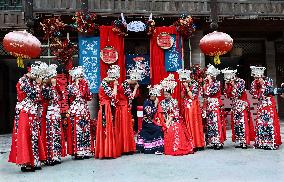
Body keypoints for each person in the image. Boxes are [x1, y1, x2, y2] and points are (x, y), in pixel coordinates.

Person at [9, 62, 46, 172]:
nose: (39, 75)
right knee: (25, 135)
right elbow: (32, 94)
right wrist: (38, 85)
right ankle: (26, 163)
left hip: (33, 111)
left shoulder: (33, 82)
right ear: (30, 70)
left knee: (34, 135)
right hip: (25, 111)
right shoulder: (23, 80)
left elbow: (39, 97)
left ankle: (34, 161)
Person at [157, 74, 194, 156]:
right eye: (165, 95)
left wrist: (168, 122)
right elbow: (161, 113)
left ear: (170, 94)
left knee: (173, 129)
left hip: (174, 120)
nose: (166, 96)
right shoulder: (162, 102)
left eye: (167, 95)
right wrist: (165, 122)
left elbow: (174, 113)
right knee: (160, 128)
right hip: (165, 120)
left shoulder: (174, 102)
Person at [250, 66, 282, 150]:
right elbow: (255, 94)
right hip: (261, 105)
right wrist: (259, 87)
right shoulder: (254, 83)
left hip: (269, 104)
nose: (256, 78)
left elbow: (269, 91)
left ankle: (271, 143)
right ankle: (261, 142)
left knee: (269, 123)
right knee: (261, 123)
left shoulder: (269, 80)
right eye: (255, 76)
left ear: (262, 74)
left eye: (257, 76)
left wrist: (263, 84)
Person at [222, 68, 255, 149]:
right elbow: (227, 96)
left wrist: (233, 85)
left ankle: (245, 142)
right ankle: (240, 141)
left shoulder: (241, 81)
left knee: (243, 123)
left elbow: (239, 93)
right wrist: (226, 85)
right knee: (236, 124)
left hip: (242, 104)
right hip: (235, 105)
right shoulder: (229, 83)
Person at [115, 63, 143, 155]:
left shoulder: (124, 84)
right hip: (123, 107)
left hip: (123, 107)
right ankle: (125, 147)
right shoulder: (126, 84)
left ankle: (124, 147)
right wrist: (135, 88)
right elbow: (131, 97)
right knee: (125, 126)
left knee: (124, 126)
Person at [67, 66, 93, 159]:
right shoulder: (70, 86)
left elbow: (89, 97)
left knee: (85, 129)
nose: (80, 78)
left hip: (84, 108)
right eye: (78, 76)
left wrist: (85, 86)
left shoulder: (85, 85)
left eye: (81, 76)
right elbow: (77, 95)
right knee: (77, 130)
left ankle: (86, 150)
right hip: (76, 109)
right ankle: (78, 151)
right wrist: (78, 85)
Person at [42, 64, 65, 165]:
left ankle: (57, 156)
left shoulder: (56, 87)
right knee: (50, 134)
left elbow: (61, 96)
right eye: (52, 77)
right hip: (50, 113)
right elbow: (46, 98)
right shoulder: (45, 88)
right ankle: (50, 157)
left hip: (56, 112)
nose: (54, 79)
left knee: (57, 133)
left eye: (54, 77)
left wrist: (56, 86)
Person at [95, 65, 120, 159]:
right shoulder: (105, 85)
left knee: (106, 127)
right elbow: (113, 95)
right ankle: (107, 151)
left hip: (105, 106)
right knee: (107, 128)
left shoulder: (104, 84)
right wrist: (115, 86)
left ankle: (105, 150)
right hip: (106, 107)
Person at [177, 69, 205, 151]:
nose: (184, 81)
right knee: (188, 123)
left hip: (193, 105)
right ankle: (191, 143)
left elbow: (193, 96)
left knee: (194, 123)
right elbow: (182, 96)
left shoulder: (195, 84)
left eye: (185, 79)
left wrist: (187, 88)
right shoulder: (184, 84)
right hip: (186, 105)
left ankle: (198, 144)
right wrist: (183, 88)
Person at [202, 64, 226, 150]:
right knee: (210, 123)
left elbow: (209, 92)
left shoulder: (216, 84)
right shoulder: (207, 84)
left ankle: (218, 142)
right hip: (209, 105)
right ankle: (213, 141)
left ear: (212, 76)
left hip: (215, 104)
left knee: (216, 122)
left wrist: (206, 85)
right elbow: (203, 94)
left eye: (208, 75)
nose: (207, 76)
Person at [136, 84, 164, 154]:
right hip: (147, 123)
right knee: (158, 129)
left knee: (160, 127)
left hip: (151, 122)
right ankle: (157, 149)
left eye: (154, 95)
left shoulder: (152, 102)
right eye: (151, 94)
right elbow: (150, 114)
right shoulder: (147, 102)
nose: (152, 96)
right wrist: (155, 105)